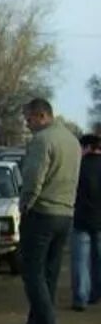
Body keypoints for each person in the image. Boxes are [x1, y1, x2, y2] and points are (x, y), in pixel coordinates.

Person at [16, 98, 82, 324]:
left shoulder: (42, 141)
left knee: (32, 273)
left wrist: (25, 205)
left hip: (42, 212)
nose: (27, 123)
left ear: (42, 116)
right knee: (49, 276)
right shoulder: (72, 141)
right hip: (65, 215)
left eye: (29, 118)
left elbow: (33, 178)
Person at [71, 133, 101, 310]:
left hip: (81, 219)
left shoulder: (78, 166)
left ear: (88, 147)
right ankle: (96, 293)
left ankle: (81, 297)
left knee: (80, 261)